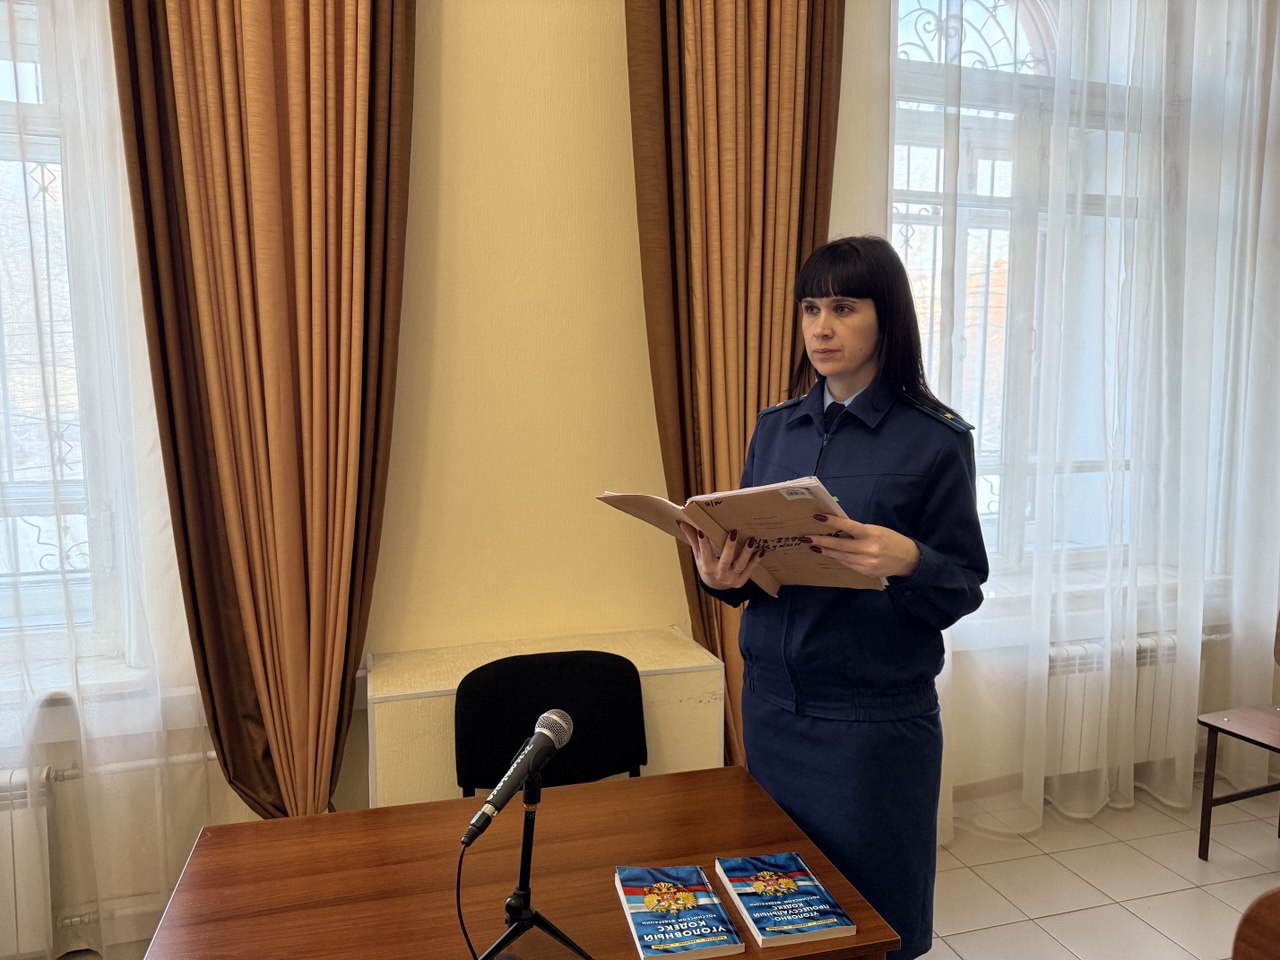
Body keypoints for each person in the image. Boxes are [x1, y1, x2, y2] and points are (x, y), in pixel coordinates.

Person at [678, 235, 988, 960]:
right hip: (772, 710)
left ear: (887, 318)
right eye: (810, 308)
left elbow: (962, 586)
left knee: (871, 921)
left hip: (871, 726)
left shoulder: (934, 440)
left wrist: (910, 560)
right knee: (782, 910)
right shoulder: (775, 427)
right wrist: (721, 577)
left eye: (844, 308)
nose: (821, 327)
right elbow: (757, 561)